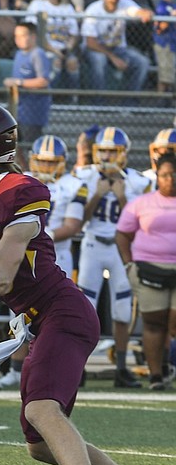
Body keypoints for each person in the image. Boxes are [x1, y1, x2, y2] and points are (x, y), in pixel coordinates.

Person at [0, 99, 169, 465]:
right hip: (41, 320)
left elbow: (2, 278)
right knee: (40, 444)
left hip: (63, 312)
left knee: (43, 408)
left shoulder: (20, 188)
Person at [74, 127, 151, 388]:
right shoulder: (83, 176)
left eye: (112, 151)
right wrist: (97, 193)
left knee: (121, 309)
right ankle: (77, 368)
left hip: (120, 248)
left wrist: (120, 197)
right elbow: (79, 220)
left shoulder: (138, 182)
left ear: (124, 154)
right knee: (85, 308)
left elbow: (142, 222)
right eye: (102, 151)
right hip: (93, 245)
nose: (106, 156)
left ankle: (121, 367)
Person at [116, 152, 176, 390]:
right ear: (157, 176)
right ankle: (156, 375)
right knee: (153, 323)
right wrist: (128, 264)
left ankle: (168, 365)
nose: (170, 179)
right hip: (149, 268)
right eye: (164, 175)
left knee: (173, 321)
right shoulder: (141, 203)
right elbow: (122, 234)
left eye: (174, 174)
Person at [28, 134, 88, 278]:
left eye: (51, 162)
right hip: (23, 249)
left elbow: (72, 226)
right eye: (41, 161)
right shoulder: (22, 179)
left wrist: (40, 236)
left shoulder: (74, 184)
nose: (46, 167)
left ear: (62, 163)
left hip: (57, 252)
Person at [81, 0, 152, 95]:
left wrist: (146, 13)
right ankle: (97, 105)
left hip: (118, 48)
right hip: (95, 49)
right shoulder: (93, 10)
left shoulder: (125, 3)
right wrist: (113, 58)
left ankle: (128, 105)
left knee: (142, 62)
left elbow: (136, 11)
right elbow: (90, 42)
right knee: (99, 61)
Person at [25, 0, 81, 91]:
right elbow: (36, 34)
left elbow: (74, 34)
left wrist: (68, 48)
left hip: (64, 48)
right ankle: (52, 98)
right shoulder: (37, 5)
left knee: (72, 62)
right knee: (55, 62)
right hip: (43, 48)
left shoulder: (67, 8)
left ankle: (73, 98)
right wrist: (54, 50)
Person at [4, 21, 51, 157]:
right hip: (19, 108)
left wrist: (18, 82)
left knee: (32, 146)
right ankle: (23, 171)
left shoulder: (38, 54)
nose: (18, 39)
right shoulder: (19, 54)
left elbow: (43, 81)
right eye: (16, 36)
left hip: (33, 110)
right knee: (15, 143)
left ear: (33, 36)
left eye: (23, 35)